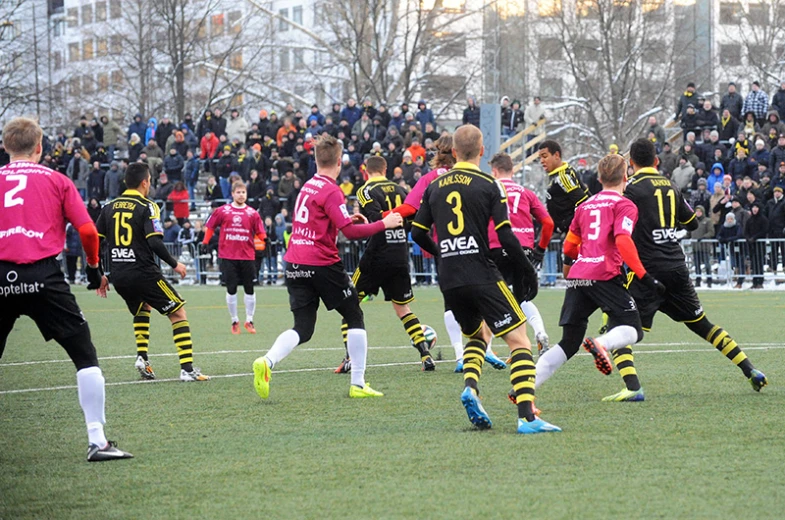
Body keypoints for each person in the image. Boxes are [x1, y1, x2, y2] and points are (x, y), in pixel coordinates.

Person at [411, 125, 559, 434]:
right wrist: (528, 270)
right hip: (480, 270)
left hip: (449, 277)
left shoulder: (434, 186)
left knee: (478, 336)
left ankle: (471, 389)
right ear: (481, 151)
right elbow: (504, 234)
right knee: (520, 339)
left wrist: (441, 254)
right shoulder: (489, 184)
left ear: (453, 152)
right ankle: (526, 418)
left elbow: (416, 232)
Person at [0, 117, 132, 461]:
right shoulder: (57, 180)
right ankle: (98, 441)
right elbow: (88, 232)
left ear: (5, 146)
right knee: (84, 356)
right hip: (45, 276)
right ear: (41, 147)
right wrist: (92, 268)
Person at [252, 134, 403, 400]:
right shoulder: (333, 190)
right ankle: (358, 384)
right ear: (339, 163)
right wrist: (384, 223)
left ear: (316, 159)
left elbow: (327, 221)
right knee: (354, 314)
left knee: (303, 327)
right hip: (321, 263)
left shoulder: (308, 186)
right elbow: (352, 233)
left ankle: (267, 361)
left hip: (295, 263)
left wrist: (344, 219)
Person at [623, 139, 767, 391]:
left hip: (647, 271)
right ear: (656, 161)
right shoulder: (671, 185)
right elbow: (691, 223)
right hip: (676, 267)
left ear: (631, 163)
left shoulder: (630, 188)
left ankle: (632, 387)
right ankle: (750, 369)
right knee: (703, 325)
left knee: (620, 326)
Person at [534, 154, 657, 402]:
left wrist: (569, 267)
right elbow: (622, 239)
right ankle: (601, 344)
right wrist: (644, 276)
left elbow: (569, 247)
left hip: (580, 275)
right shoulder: (625, 205)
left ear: (599, 179)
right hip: (605, 275)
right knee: (633, 329)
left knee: (568, 343)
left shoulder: (585, 206)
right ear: (626, 177)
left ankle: (525, 388)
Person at [388, 135, 508, 370]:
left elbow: (410, 208)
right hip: (476, 246)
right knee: (484, 298)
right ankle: (487, 347)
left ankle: (461, 355)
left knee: (452, 303)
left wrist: (386, 217)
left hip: (447, 248)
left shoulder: (430, 179)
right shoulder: (476, 177)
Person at [95, 162, 209, 382]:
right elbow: (155, 242)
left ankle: (143, 358)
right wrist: (175, 264)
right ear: (145, 182)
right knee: (177, 312)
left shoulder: (108, 207)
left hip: (118, 274)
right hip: (143, 272)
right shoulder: (147, 206)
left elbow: (94, 242)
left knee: (142, 308)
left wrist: (99, 273)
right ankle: (187, 369)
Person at [333, 156, 436, 374]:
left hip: (376, 254)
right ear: (386, 169)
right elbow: (411, 221)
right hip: (399, 254)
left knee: (349, 304)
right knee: (403, 308)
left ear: (365, 171)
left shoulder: (365, 190)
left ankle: (349, 357)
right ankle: (426, 355)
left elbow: (376, 219)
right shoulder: (401, 191)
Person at [487, 152, 554, 357]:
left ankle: (486, 348)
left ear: (495, 171)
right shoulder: (526, 193)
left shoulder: (489, 190)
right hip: (523, 250)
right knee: (521, 299)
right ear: (512, 170)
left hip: (497, 247)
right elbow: (548, 223)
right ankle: (540, 332)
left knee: (490, 297)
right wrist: (540, 250)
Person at [202, 181, 266, 334]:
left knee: (249, 288)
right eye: (238, 192)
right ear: (232, 194)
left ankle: (249, 320)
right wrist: (205, 241)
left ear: (246, 194)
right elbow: (210, 226)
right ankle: (234, 320)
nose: (241, 195)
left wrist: (265, 239)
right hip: (228, 255)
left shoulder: (252, 213)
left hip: (247, 256)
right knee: (231, 289)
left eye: (243, 192)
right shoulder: (223, 211)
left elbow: (260, 231)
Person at [538, 140, 590, 276]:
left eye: (545, 156)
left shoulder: (563, 177)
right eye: (540, 158)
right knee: (571, 277)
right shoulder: (563, 174)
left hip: (575, 235)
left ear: (556, 155)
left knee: (572, 276)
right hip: (570, 233)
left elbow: (585, 203)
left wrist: (566, 224)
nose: (542, 161)